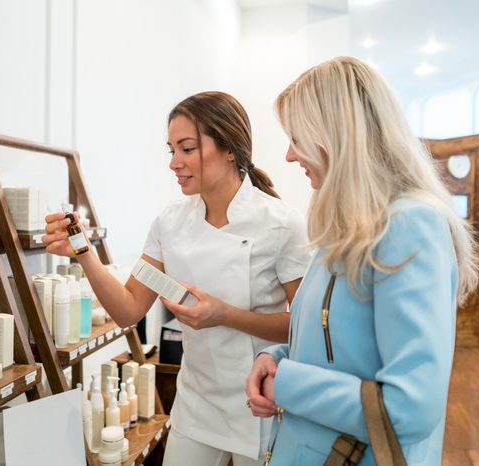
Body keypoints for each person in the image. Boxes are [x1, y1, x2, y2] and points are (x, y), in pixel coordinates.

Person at [43, 91, 310, 466]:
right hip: (196, 403)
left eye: (186, 149)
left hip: (260, 403)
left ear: (230, 148)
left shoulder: (281, 224)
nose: (174, 163)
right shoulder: (170, 222)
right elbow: (128, 310)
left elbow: (303, 328)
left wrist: (225, 315)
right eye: (171, 150)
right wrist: (83, 253)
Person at [245, 57, 479, 466]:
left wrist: (287, 384)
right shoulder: (347, 229)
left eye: (297, 137)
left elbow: (410, 408)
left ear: (337, 134)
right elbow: (342, 350)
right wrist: (276, 358)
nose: (287, 155)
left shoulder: (410, 224)